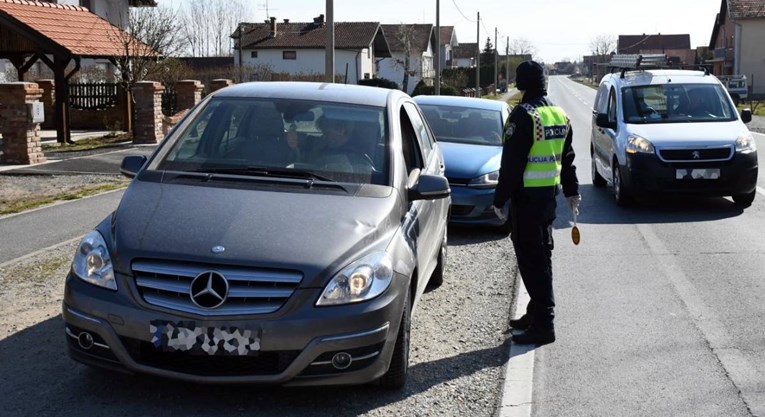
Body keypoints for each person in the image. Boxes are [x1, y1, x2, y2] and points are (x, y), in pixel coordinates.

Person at [490, 60, 580, 345]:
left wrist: (499, 199)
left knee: (532, 261)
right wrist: (572, 190)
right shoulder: (559, 114)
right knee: (542, 257)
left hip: (527, 201)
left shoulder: (523, 116)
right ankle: (534, 313)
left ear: (521, 84)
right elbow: (567, 159)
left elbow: (512, 165)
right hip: (548, 200)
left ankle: (544, 323)